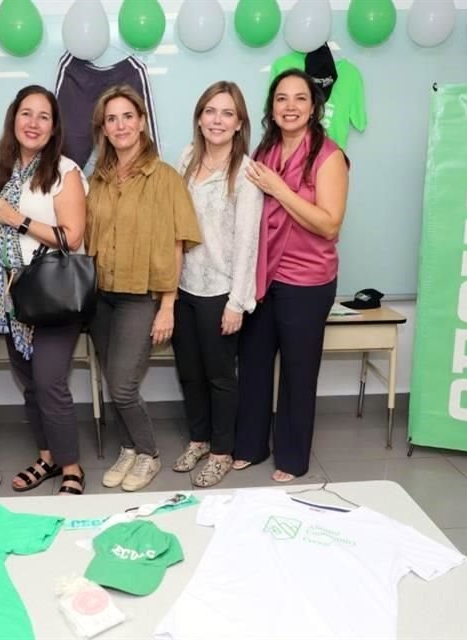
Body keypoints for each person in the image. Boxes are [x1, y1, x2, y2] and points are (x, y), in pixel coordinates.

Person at [234, 69, 350, 483]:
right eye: (281, 99)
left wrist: (281, 189)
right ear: (271, 107)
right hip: (263, 275)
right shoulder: (264, 151)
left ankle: (293, 458)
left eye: (300, 98)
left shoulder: (329, 156)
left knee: (299, 371)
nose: (290, 107)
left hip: (307, 281)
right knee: (253, 363)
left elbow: (329, 224)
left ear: (314, 106)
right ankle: (249, 445)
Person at [85, 85, 202, 492]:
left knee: (122, 384)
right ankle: (129, 449)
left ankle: (149, 453)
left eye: (127, 117)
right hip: (100, 297)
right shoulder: (97, 178)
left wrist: (168, 305)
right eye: (111, 118)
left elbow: (176, 243)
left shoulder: (165, 177)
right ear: (104, 127)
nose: (120, 125)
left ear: (141, 122)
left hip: (141, 297)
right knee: (108, 377)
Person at [0, 85, 88, 496]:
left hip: (54, 295)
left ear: (54, 127)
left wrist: (18, 219)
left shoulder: (65, 171)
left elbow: (73, 237)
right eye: (27, 113)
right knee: (29, 382)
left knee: (48, 381)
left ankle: (72, 467)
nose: (33, 123)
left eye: (44, 116)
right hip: (13, 296)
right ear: (14, 120)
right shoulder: (6, 170)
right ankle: (47, 458)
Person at [172, 81, 263, 488]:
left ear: (239, 122)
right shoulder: (187, 158)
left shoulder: (245, 171)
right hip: (184, 286)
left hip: (220, 291)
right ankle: (199, 440)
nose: (217, 120)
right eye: (210, 111)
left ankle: (222, 452)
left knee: (220, 377)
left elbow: (248, 241)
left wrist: (237, 302)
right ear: (199, 116)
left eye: (227, 113)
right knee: (189, 373)